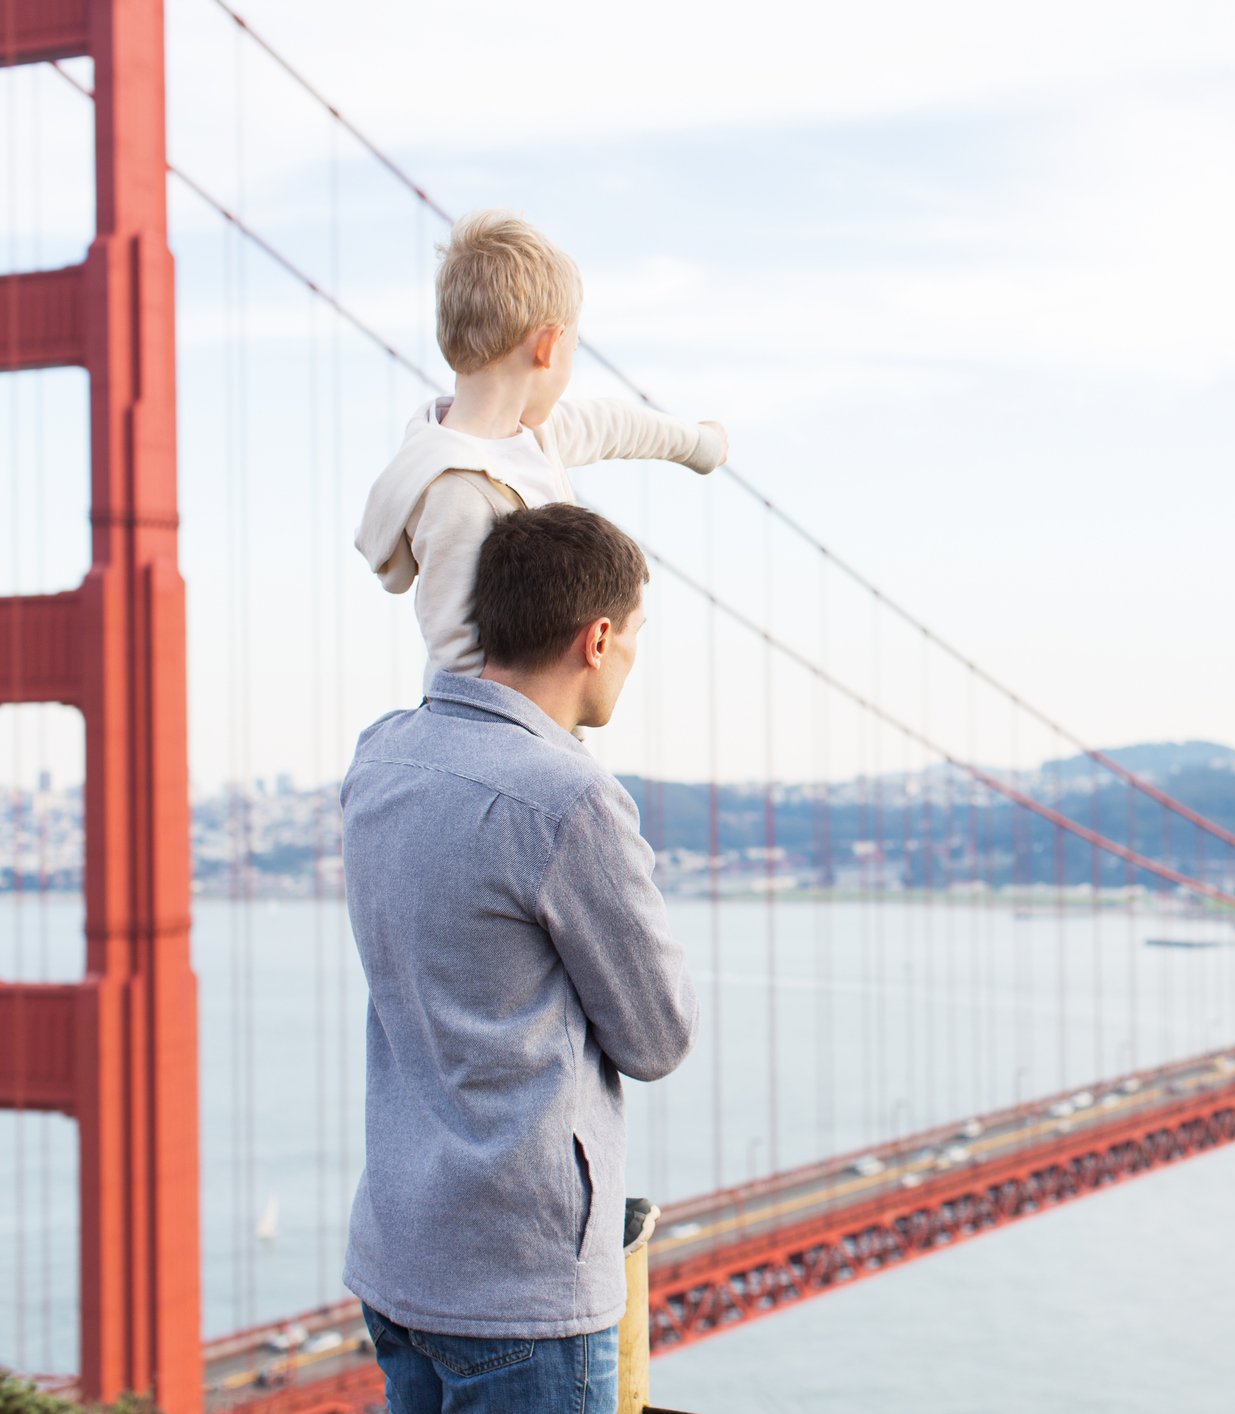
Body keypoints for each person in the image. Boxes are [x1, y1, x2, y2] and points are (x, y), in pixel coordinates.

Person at [339, 504, 698, 1414]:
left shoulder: (381, 755)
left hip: (401, 1253)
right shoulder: (568, 799)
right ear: (598, 636)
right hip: (519, 1288)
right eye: (635, 640)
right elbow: (657, 1039)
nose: (630, 663)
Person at [353, 208, 729, 682]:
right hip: (489, 734)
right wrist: (541, 733)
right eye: (574, 349)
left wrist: (700, 444)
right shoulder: (454, 489)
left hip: (537, 716)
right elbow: (458, 658)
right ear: (549, 347)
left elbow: (616, 425)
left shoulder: (530, 432)